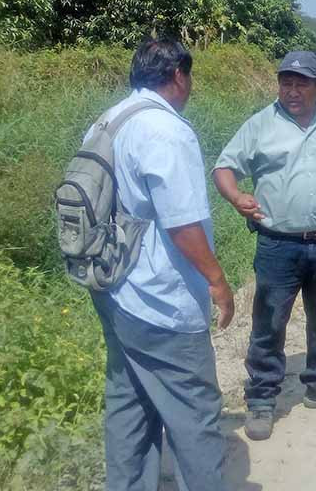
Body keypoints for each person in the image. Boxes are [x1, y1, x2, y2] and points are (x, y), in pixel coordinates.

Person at [90, 37, 234, 491]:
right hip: (160, 299)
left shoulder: (108, 121)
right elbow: (182, 224)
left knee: (129, 404)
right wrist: (217, 280)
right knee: (196, 415)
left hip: (113, 288)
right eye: (189, 77)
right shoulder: (167, 130)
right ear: (178, 76)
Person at [212, 51, 316, 442]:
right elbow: (224, 168)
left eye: (302, 82)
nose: (293, 90)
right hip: (277, 246)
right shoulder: (260, 124)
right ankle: (262, 401)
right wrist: (236, 198)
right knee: (268, 324)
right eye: (286, 82)